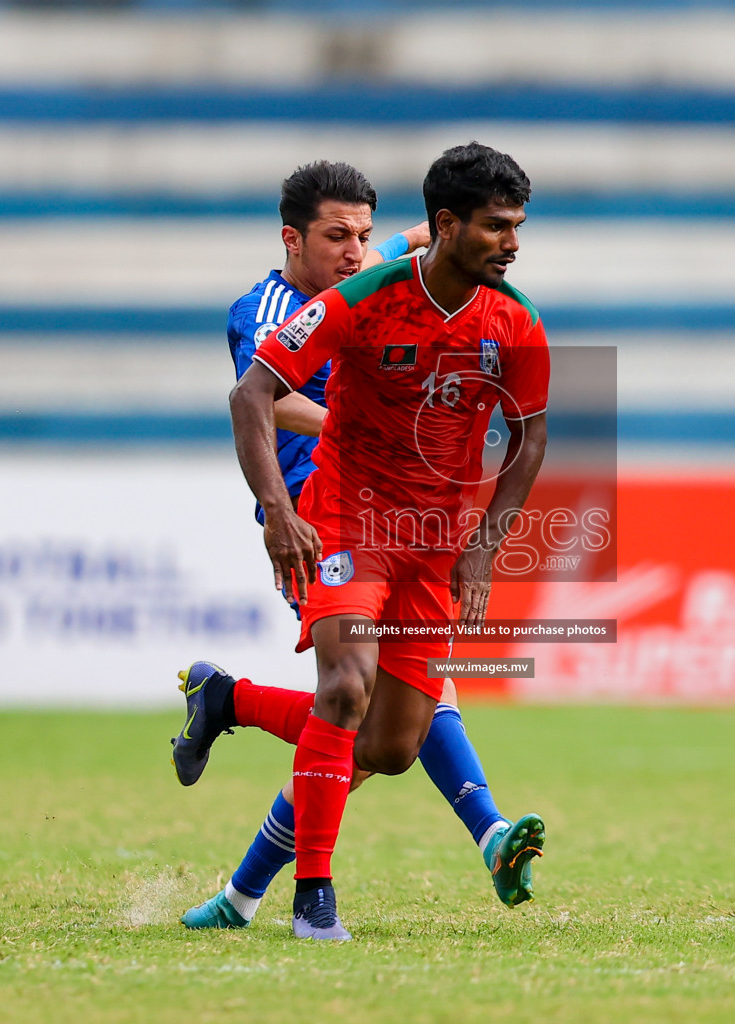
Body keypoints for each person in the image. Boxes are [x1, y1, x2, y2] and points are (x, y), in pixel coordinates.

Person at [174, 154, 548, 939]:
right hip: (333, 521)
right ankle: (319, 898)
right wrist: (278, 510)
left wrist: (482, 546)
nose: (512, 241)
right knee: (346, 690)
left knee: (390, 742)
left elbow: (531, 435)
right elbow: (254, 396)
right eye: (497, 226)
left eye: (517, 226)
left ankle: (231, 711)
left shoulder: (513, 320)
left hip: (432, 544)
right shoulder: (337, 301)